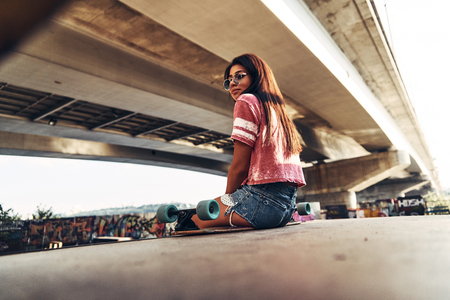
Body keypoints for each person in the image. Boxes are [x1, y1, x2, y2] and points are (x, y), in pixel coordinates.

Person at [192, 54, 306, 229]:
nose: (232, 83)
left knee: (195, 220)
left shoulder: (246, 101)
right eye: (228, 80)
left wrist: (227, 200)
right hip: (287, 209)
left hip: (262, 202)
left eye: (239, 76)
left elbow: (239, 167)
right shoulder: (279, 112)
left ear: (257, 75)